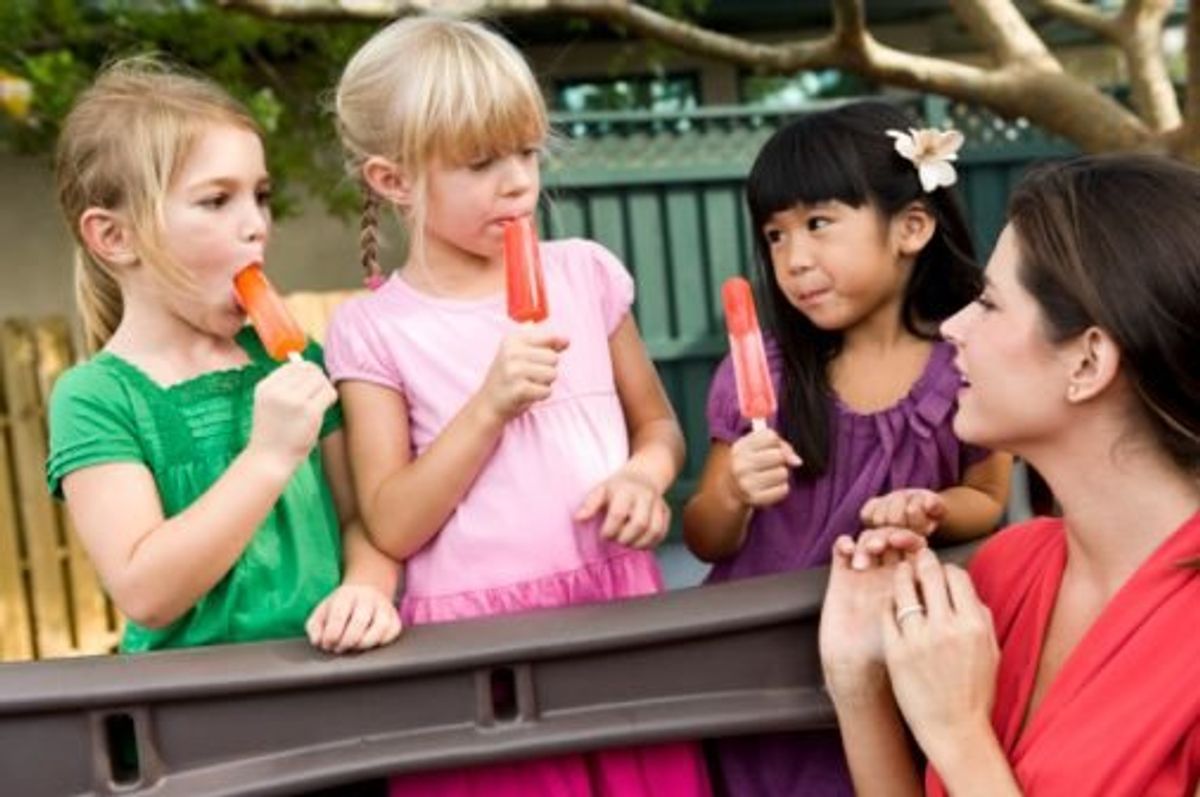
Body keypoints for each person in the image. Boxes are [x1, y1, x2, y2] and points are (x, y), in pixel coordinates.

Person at [325, 15, 710, 797]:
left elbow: (660, 426)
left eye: (528, 152)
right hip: (476, 655)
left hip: (615, 614)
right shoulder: (373, 330)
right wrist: (489, 405)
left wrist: (644, 475)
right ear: (392, 180)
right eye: (481, 162)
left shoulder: (585, 276)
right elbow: (392, 521)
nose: (519, 182)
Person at [820, 153, 1200, 796]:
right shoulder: (1004, 571)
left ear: (1088, 361)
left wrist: (961, 739)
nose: (953, 327)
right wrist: (858, 684)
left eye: (990, 304)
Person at [682, 102, 1011, 797]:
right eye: (775, 235)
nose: (794, 259)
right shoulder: (762, 374)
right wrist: (733, 493)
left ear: (912, 227)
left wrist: (931, 508)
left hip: (893, 680)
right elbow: (705, 536)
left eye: (819, 224)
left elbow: (987, 500)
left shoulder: (966, 373)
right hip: (755, 689)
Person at [46, 57, 401, 657]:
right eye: (216, 201)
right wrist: (268, 456)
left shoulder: (291, 360)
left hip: (332, 673)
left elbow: (365, 518)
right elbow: (145, 591)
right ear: (115, 236)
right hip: (191, 710)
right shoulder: (95, 397)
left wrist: (368, 588)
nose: (256, 225)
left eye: (260, 197)